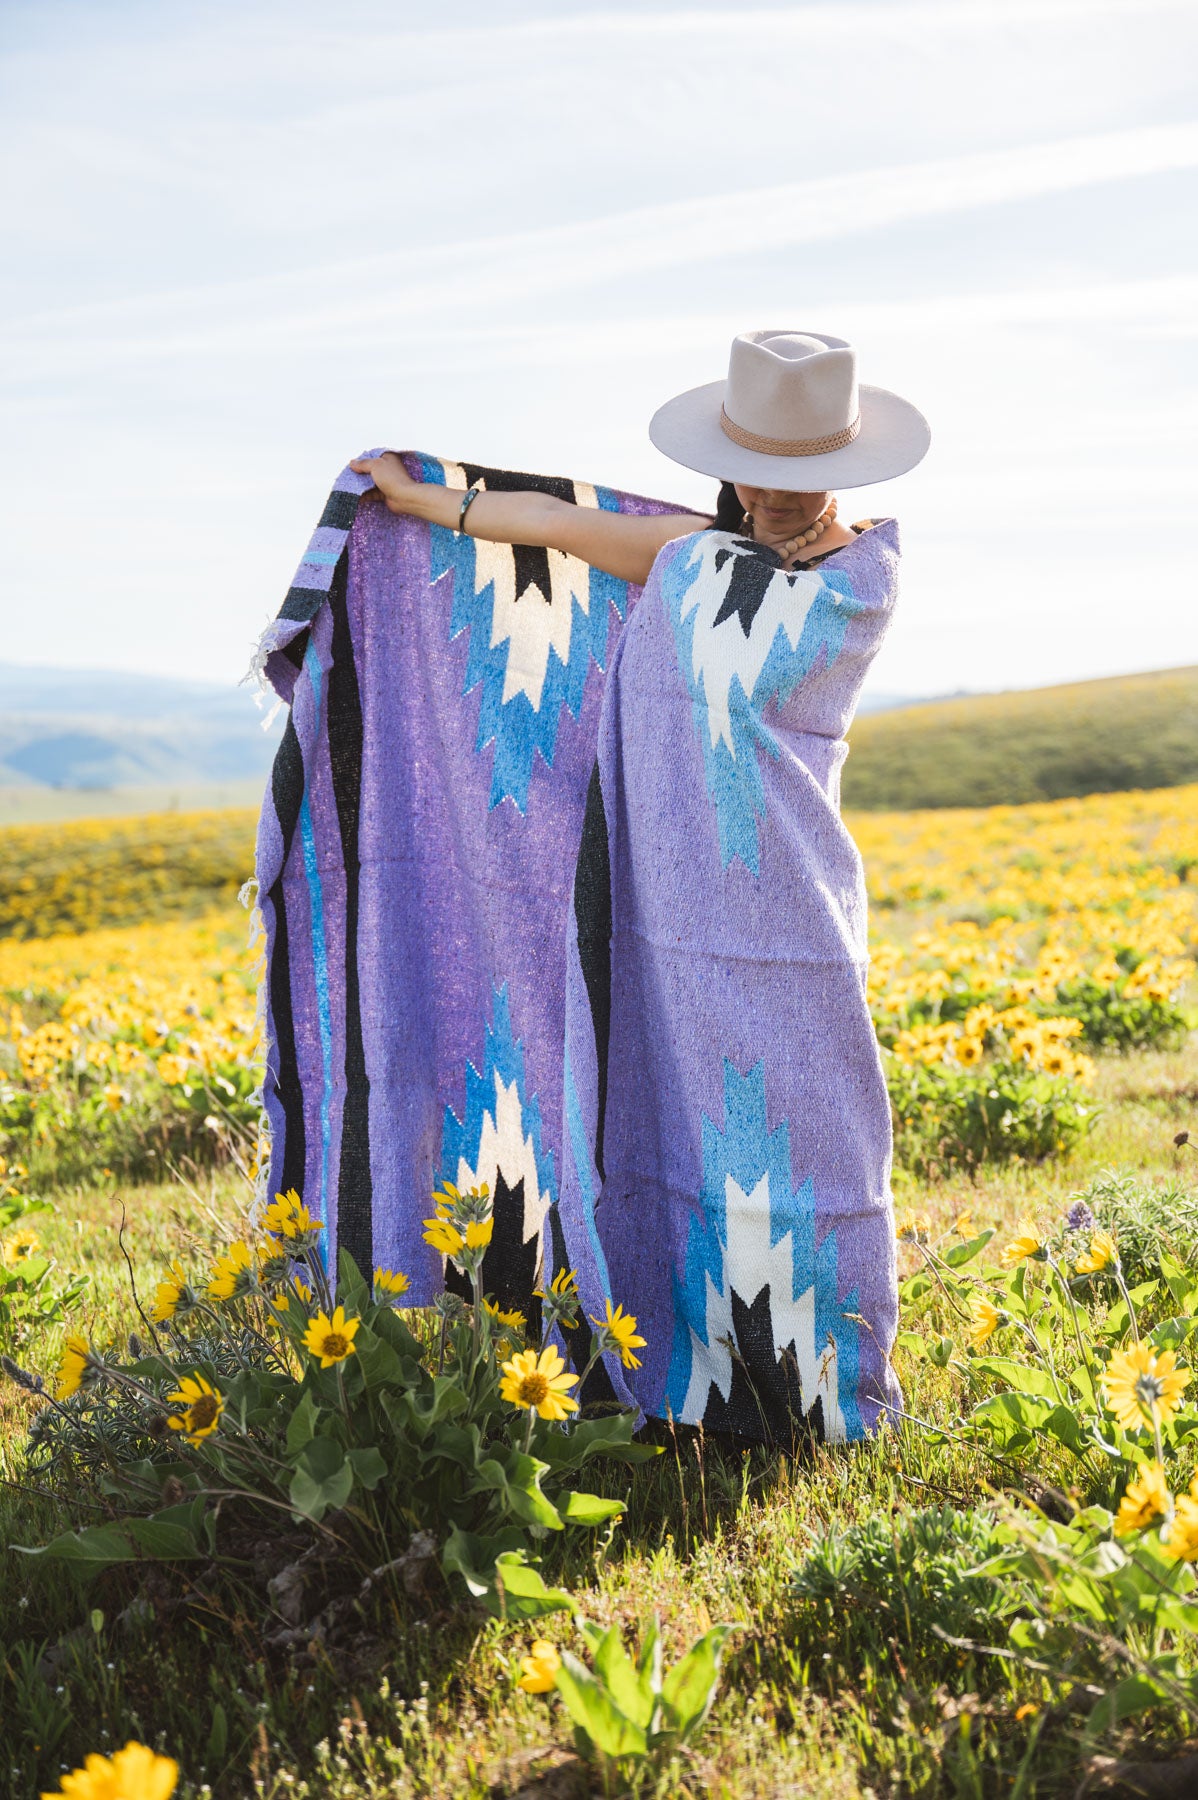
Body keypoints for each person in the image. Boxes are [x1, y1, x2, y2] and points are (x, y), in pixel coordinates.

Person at [348, 329, 930, 1446]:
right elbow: (556, 526)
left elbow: (765, 635)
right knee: (665, 1118)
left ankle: (822, 1384)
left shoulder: (862, 583)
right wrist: (423, 505)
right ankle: (687, 1364)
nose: (767, 498)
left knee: (809, 1130)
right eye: (750, 472)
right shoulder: (688, 557)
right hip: (658, 910)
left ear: (843, 471)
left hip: (786, 907)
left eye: (794, 477)